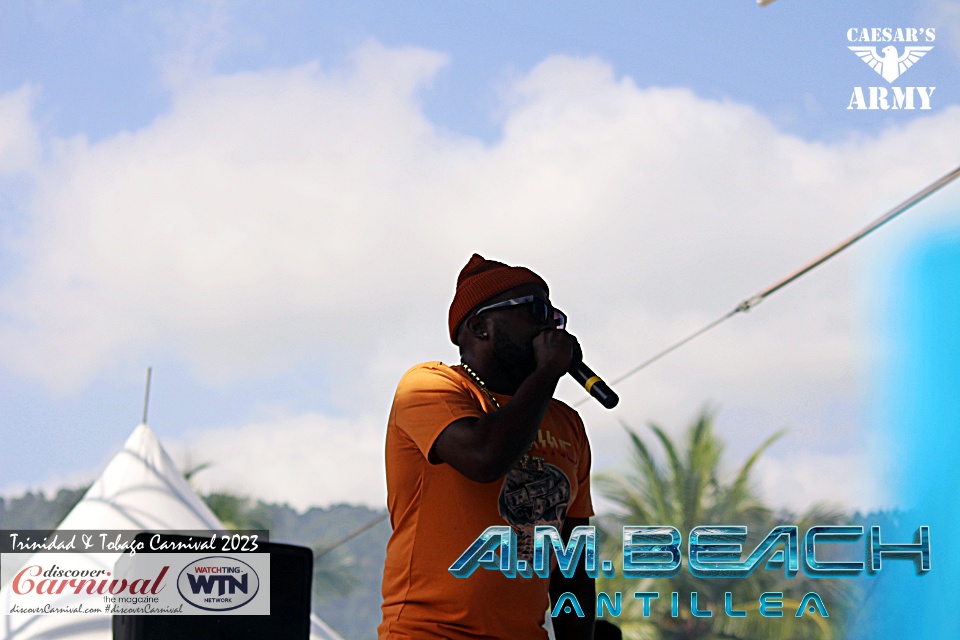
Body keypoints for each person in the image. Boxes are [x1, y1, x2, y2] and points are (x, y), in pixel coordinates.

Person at [378, 254, 595, 640]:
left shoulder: (567, 424)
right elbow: (485, 457)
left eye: (554, 315)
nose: (550, 326)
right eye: (536, 311)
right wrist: (547, 371)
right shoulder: (429, 385)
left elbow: (573, 563)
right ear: (479, 326)